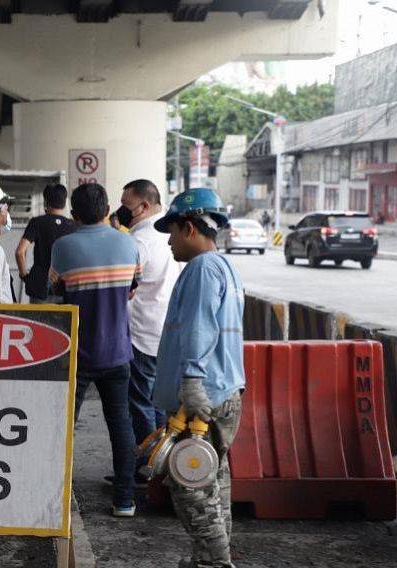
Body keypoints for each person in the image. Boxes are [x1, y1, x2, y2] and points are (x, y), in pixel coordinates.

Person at [152, 187, 245, 568]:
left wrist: (191, 382)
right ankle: (208, 557)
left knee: (190, 485)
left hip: (202, 396)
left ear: (189, 227)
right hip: (222, 391)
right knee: (212, 479)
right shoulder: (223, 267)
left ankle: (214, 562)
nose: (169, 242)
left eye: (172, 232)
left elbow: (200, 328)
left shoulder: (203, 269)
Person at [50, 183, 140, 518]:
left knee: (63, 427)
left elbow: (58, 290)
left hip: (77, 354)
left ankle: (55, 499)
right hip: (118, 351)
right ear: (107, 211)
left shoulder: (63, 247)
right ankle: (125, 501)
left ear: (74, 216)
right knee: (120, 426)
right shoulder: (128, 244)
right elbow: (131, 291)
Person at [115, 179, 181, 468]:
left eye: (127, 204)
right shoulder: (173, 235)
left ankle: (147, 467)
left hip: (140, 332)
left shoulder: (137, 242)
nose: (122, 210)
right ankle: (163, 464)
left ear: (143, 206)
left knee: (141, 403)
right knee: (162, 403)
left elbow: (123, 288)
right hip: (168, 332)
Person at [15, 184, 76, 303]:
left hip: (39, 285)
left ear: (45, 202)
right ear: (64, 203)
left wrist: (25, 276)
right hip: (64, 286)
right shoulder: (72, 225)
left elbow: (20, 252)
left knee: (37, 321)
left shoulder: (37, 222)